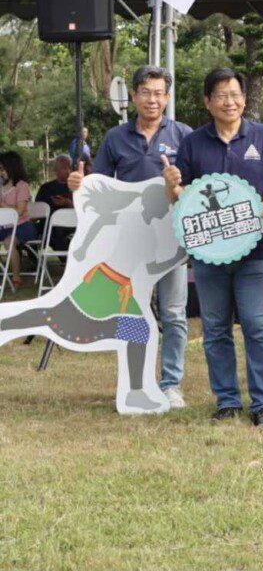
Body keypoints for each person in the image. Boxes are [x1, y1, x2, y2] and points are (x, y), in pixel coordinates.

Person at [163, 67, 263, 426]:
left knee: (258, 327)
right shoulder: (192, 143)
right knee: (216, 329)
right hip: (209, 253)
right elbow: (179, 198)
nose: (230, 102)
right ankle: (228, 400)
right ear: (207, 102)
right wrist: (170, 183)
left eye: (235, 94)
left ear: (244, 99)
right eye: (221, 96)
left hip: (254, 252)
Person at [67, 66, 193, 408]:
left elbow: (196, 190)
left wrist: (176, 184)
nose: (152, 99)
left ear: (167, 98)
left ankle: (170, 383)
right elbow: (101, 187)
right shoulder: (115, 138)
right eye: (146, 92)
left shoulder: (184, 135)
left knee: (173, 311)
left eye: (159, 93)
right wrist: (79, 185)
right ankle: (135, 381)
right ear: (133, 95)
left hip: (171, 239)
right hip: (130, 242)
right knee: (129, 310)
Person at [0, 151, 37, 285]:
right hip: (3, 226)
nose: (1, 172)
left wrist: (2, 204)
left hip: (22, 226)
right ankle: (4, 270)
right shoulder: (1, 186)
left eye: (2, 169)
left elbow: (20, 211)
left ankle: (16, 277)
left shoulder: (22, 186)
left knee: (8, 242)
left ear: (12, 168)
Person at [36, 154, 75, 251]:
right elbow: (38, 208)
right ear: (56, 170)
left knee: (58, 231)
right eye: (63, 168)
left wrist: (68, 203)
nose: (68, 170)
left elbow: (84, 209)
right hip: (47, 224)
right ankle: (35, 262)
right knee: (29, 230)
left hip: (71, 223)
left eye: (68, 167)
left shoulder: (78, 187)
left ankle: (65, 260)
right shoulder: (46, 188)